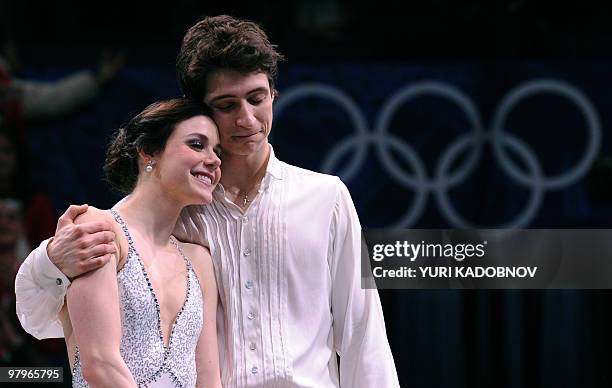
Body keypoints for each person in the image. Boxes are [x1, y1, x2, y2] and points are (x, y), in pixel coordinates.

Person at [16, 15, 399, 387]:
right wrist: (50, 261)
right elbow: (44, 322)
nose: (247, 119)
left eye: (256, 98)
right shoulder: (176, 209)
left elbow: (362, 333)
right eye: (228, 105)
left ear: (273, 95)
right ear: (201, 108)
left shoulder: (326, 197)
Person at [50, 98, 222, 386]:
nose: (215, 160)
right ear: (148, 152)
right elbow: (100, 363)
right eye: (197, 144)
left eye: (217, 151)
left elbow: (209, 379)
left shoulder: (199, 260)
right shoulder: (98, 227)